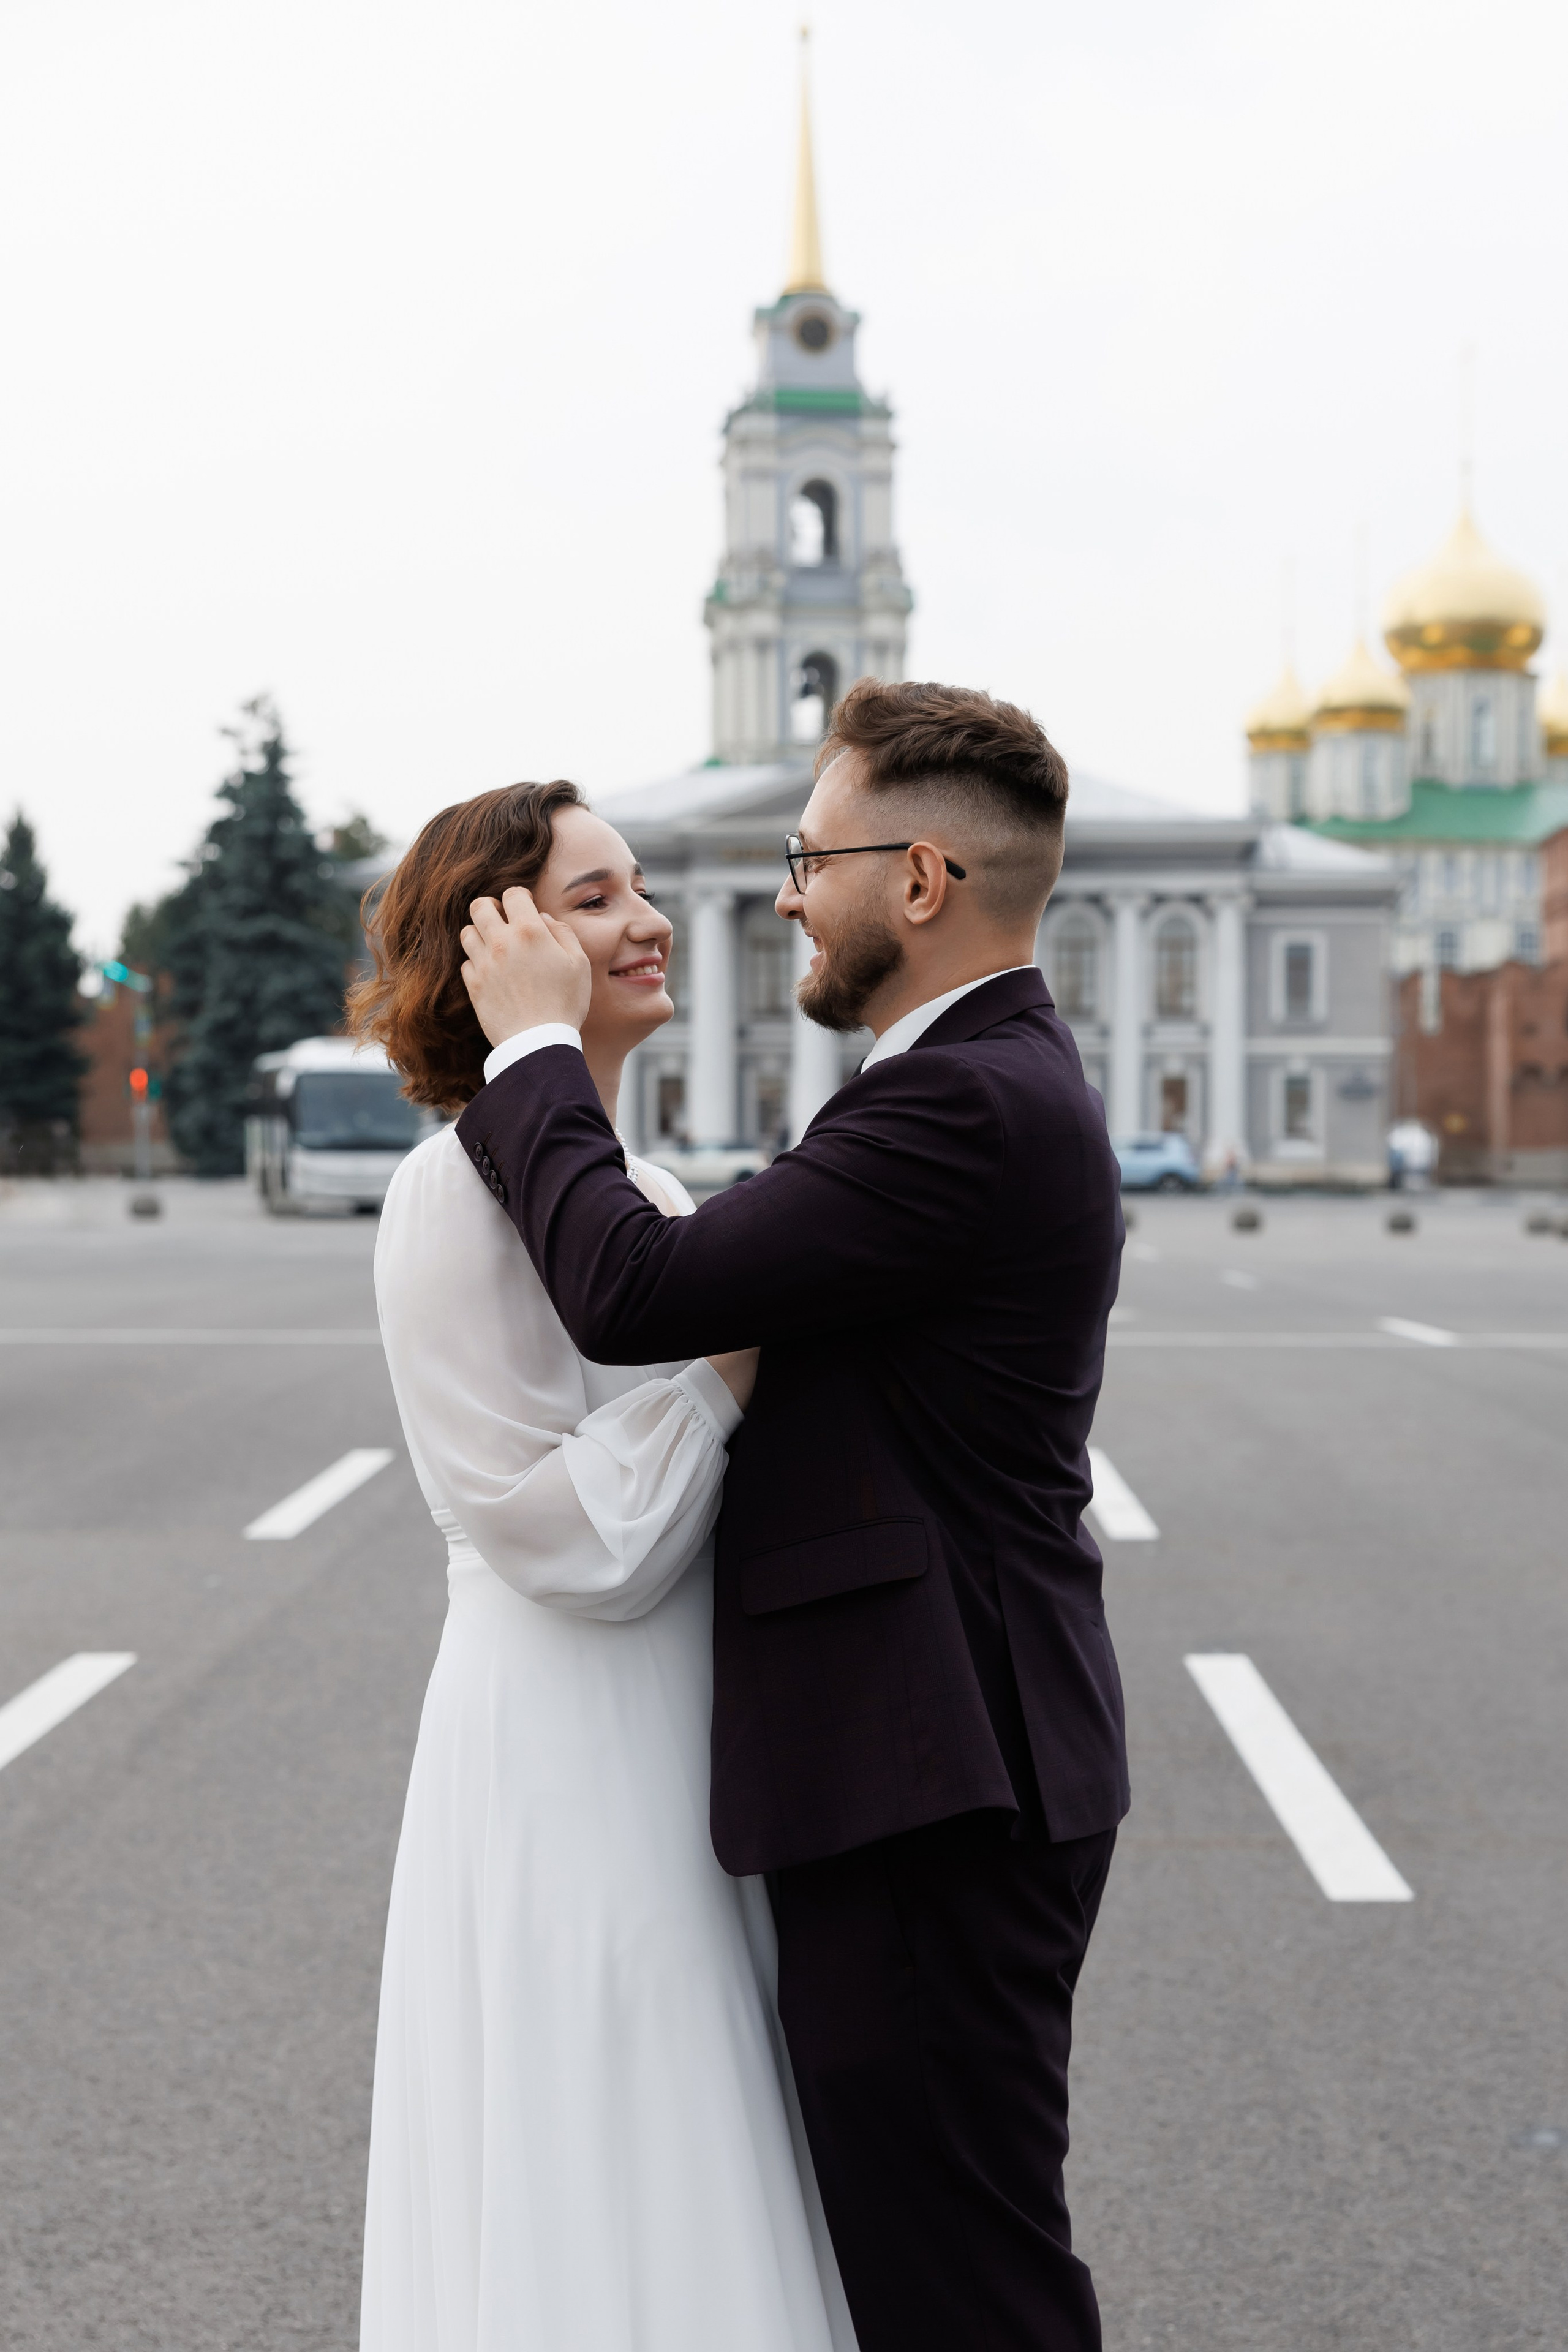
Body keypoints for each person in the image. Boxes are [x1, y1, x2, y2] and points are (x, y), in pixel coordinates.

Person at [454, 680, 1130, 2352]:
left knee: (959, 2281)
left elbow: (636, 1286)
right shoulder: (980, 1083)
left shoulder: (959, 1103)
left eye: (807, 856)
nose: (778, 894)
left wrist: (533, 1049)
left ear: (914, 882)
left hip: (934, 1774)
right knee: (937, 2253)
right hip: (940, 1759)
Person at [349, 782, 856, 2352]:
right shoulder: (455, 1194)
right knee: (603, 2106)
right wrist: (741, 1347)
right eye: (591, 896)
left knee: (689, 2117)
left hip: (672, 1732)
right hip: (562, 1740)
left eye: (637, 885)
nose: (645, 920)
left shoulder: (633, 1196)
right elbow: (569, 1541)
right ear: (491, 949)